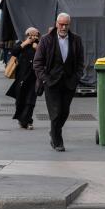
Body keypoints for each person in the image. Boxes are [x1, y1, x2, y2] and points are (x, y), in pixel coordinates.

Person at [34, 13, 85, 152]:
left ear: (69, 24)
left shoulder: (76, 40)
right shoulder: (46, 40)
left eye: (66, 24)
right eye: (61, 24)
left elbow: (80, 62)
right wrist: (44, 78)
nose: (63, 27)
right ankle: (57, 141)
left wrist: (77, 77)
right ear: (56, 23)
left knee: (64, 112)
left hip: (69, 82)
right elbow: (37, 63)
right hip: (51, 82)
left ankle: (53, 131)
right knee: (55, 112)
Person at [6, 27, 40, 129]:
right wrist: (24, 43)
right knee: (20, 100)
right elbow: (14, 52)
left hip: (34, 77)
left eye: (36, 35)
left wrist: (37, 48)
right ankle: (22, 120)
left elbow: (46, 56)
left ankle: (29, 121)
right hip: (21, 77)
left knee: (31, 101)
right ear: (27, 35)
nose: (33, 37)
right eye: (31, 35)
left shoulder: (40, 45)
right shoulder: (21, 43)